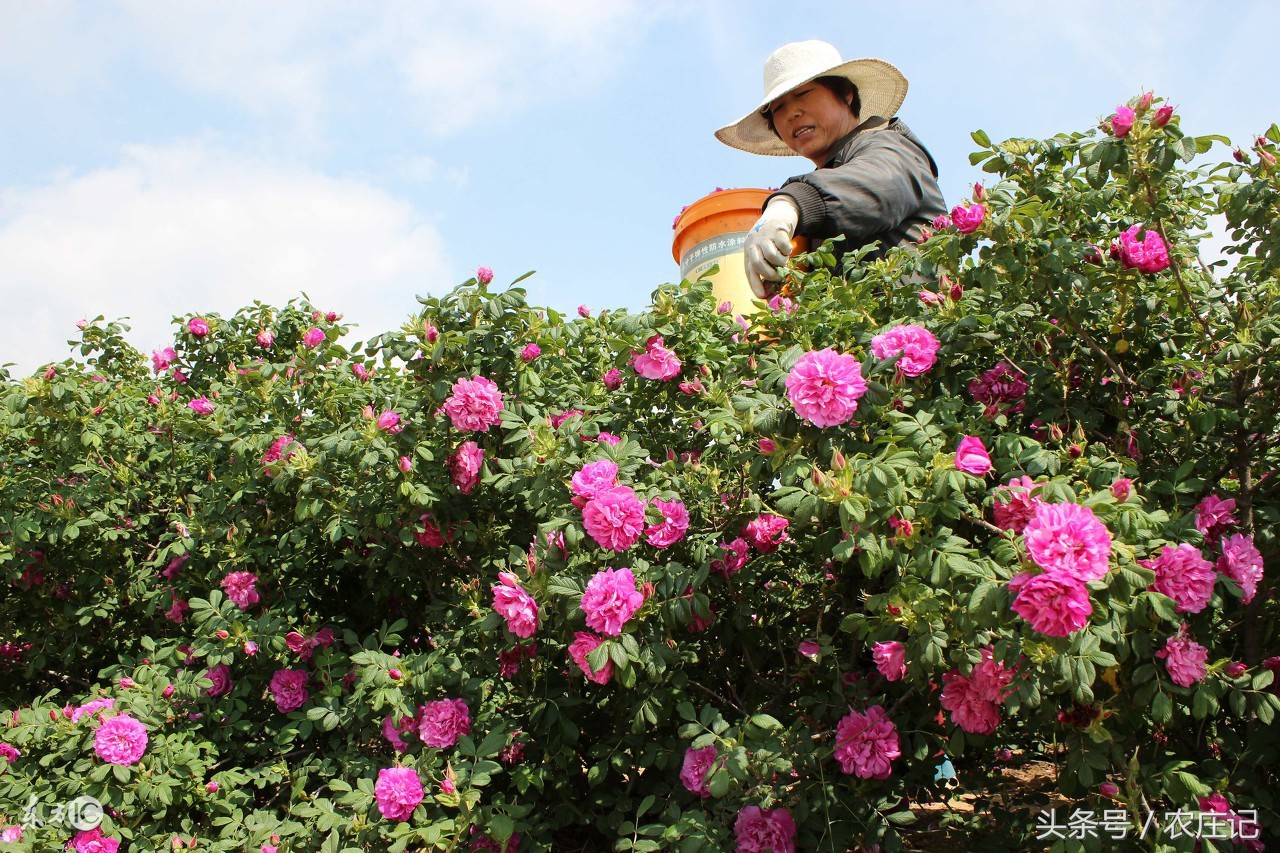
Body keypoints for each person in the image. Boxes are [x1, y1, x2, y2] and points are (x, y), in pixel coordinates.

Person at [716, 40, 947, 296]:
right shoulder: (824, 190)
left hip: (913, 329)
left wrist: (789, 204)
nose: (792, 113)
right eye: (779, 108)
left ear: (846, 94)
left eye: (804, 94)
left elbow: (876, 184)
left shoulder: (889, 145)